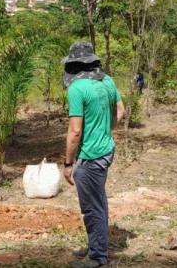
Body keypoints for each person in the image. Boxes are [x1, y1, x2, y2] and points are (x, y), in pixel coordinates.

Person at [61, 41, 125, 268]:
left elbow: (75, 131)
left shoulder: (77, 89)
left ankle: (98, 256)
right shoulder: (107, 80)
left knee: (92, 207)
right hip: (107, 150)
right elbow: (121, 110)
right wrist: (105, 131)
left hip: (90, 157)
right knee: (98, 201)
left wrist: (68, 164)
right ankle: (95, 245)